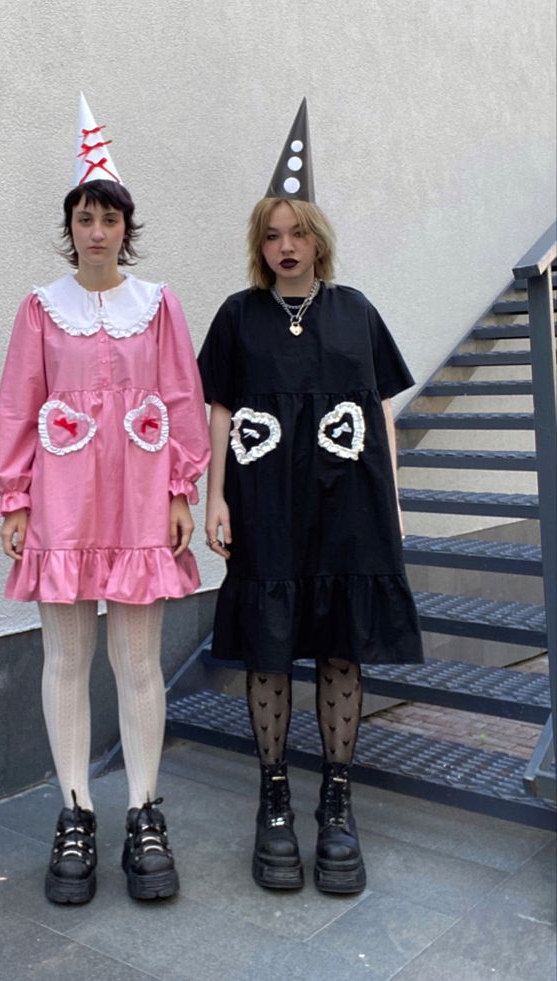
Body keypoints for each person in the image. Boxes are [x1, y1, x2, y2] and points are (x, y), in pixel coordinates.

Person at [0, 94, 210, 905]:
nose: (96, 229)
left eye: (108, 216)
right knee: (67, 657)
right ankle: (76, 809)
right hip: (64, 509)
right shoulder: (41, 310)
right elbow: (18, 403)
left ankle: (145, 810)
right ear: (71, 224)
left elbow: (183, 400)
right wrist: (15, 498)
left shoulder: (159, 308)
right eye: (84, 214)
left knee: (139, 660)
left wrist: (185, 485)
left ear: (126, 226)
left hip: (145, 505)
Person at [198, 99, 423, 895]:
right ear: (260, 245)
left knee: (337, 645)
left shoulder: (355, 310)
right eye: (271, 234)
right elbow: (222, 408)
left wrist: (393, 503)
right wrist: (214, 497)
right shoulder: (238, 315)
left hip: (347, 505)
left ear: (317, 239)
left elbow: (381, 411)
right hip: (265, 502)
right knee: (269, 645)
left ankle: (335, 800)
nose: (285, 246)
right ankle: (273, 801)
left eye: (296, 232)